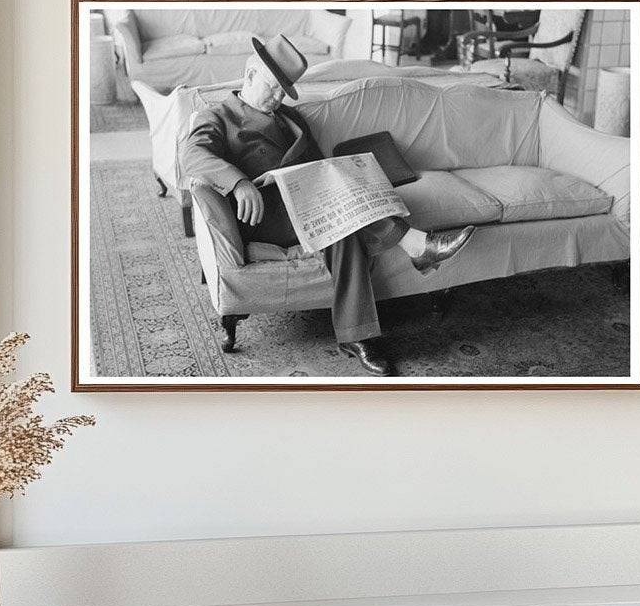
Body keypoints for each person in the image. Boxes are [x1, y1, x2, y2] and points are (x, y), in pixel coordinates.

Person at [179, 34, 474, 376]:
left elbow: (319, 168)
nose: (277, 98)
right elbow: (192, 155)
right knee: (338, 208)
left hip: (309, 208)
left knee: (343, 226)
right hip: (262, 216)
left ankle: (357, 336)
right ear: (250, 75)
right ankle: (416, 244)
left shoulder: (292, 120)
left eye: (283, 91)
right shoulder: (217, 117)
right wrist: (239, 183)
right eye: (272, 88)